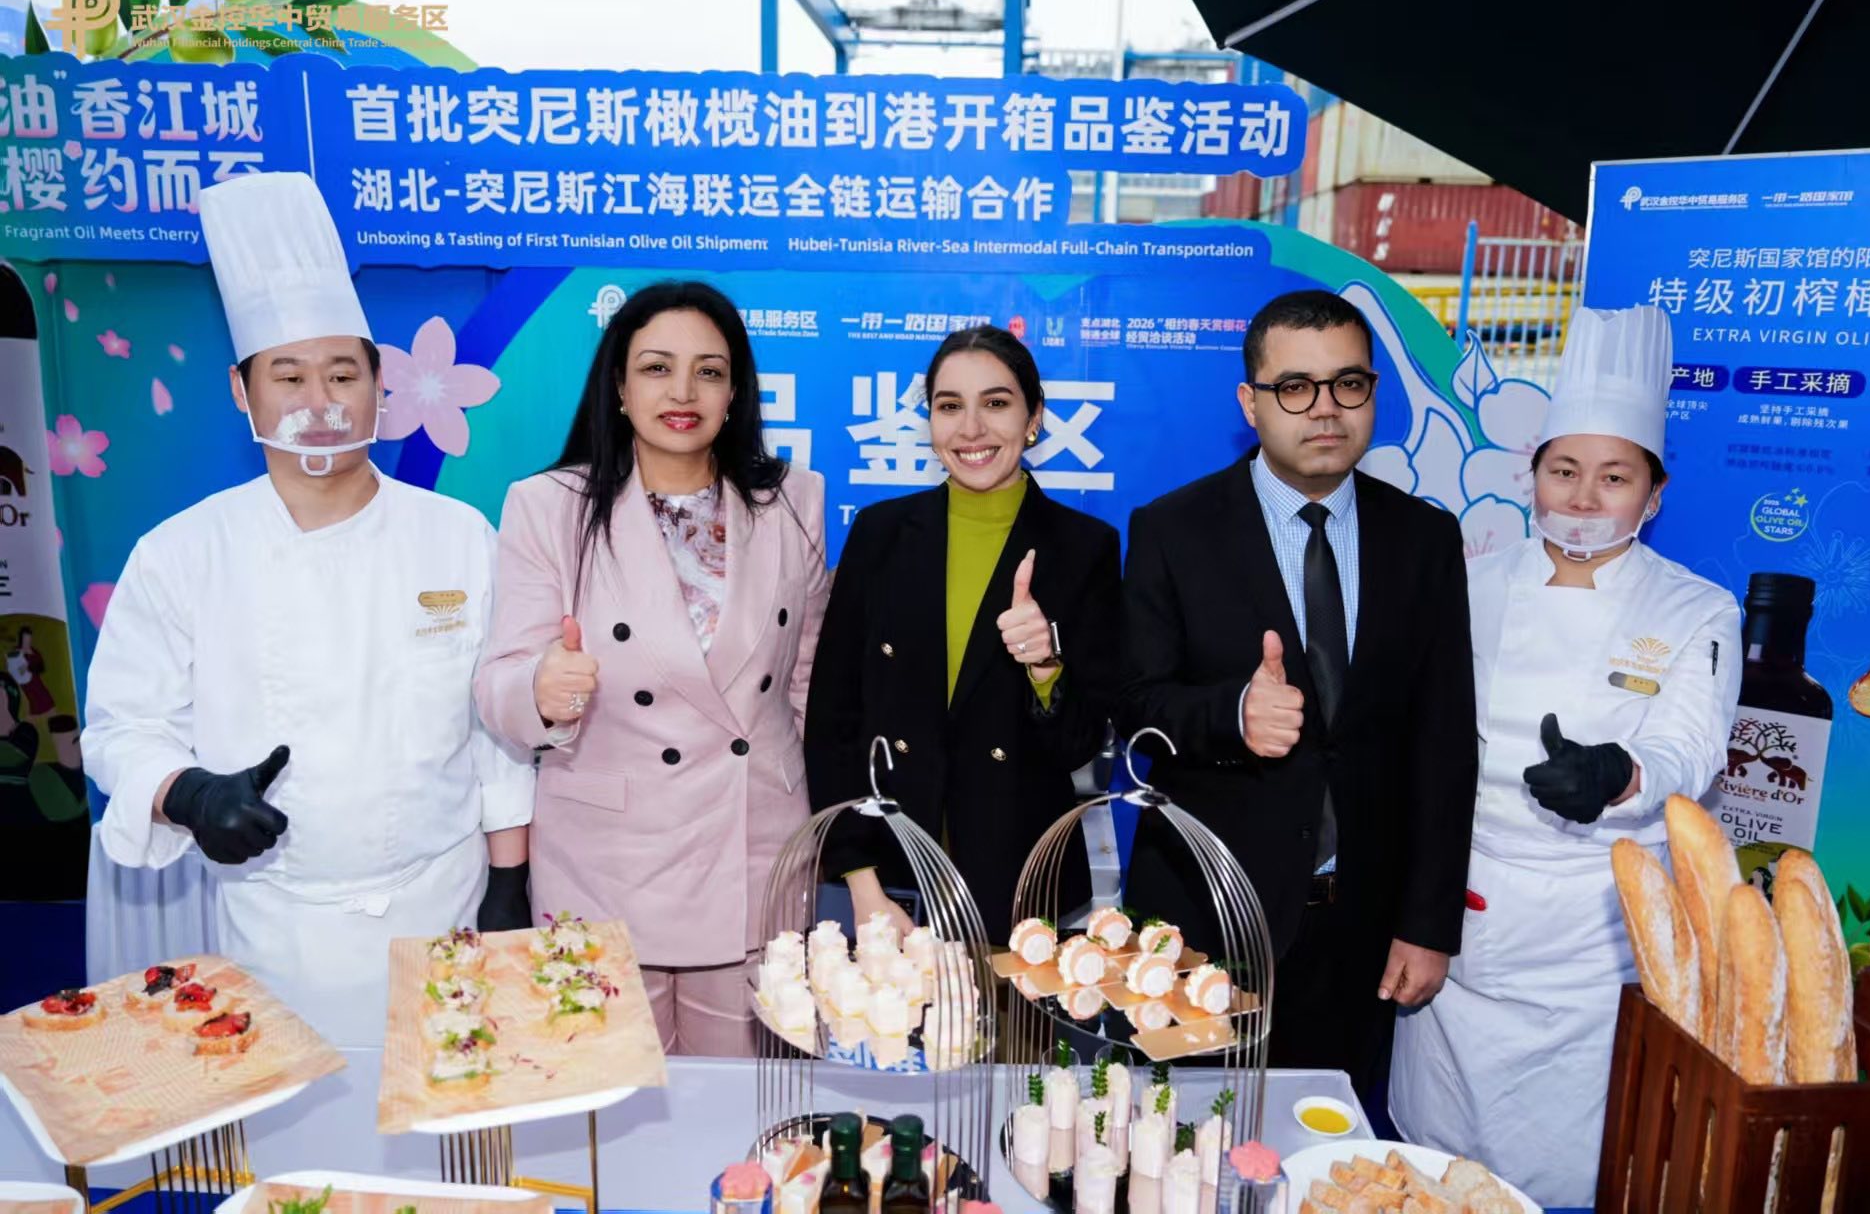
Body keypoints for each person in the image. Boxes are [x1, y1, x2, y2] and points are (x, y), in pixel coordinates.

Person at [83, 172, 534, 1046]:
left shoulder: (458, 536)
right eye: (288, 376)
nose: (319, 402)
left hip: (447, 906)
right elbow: (121, 729)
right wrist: (189, 794)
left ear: (380, 385)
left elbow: (497, 731)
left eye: (342, 374)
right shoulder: (182, 553)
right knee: (292, 1124)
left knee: (452, 1116)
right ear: (241, 390)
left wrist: (509, 886)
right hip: (273, 927)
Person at [1390, 306, 1741, 1207]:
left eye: (1614, 477)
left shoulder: (1696, 609)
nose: (1584, 498)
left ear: (1653, 496)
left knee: (1569, 1163)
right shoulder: (1468, 584)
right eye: (1564, 471)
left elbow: (1689, 747)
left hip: (1594, 933)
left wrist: (1618, 774)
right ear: (1533, 478)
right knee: (1431, 1161)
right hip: (1464, 912)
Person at [1121, 288, 1477, 1095]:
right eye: (1294, 388)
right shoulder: (1173, 529)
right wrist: (1232, 713)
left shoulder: (1423, 538)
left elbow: (1445, 741)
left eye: (1348, 383)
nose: (1325, 408)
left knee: (1329, 1139)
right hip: (1204, 920)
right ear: (1251, 403)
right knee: (1183, 1138)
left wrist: (1428, 924)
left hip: (1361, 928)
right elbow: (1135, 704)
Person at [474, 280, 828, 1056]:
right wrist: (539, 687)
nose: (683, 392)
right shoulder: (549, 506)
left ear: (735, 392)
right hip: (605, 862)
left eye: (709, 371)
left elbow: (807, 676)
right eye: (657, 368)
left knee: (745, 1099)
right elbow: (497, 680)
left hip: (753, 854)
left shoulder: (792, 500)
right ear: (619, 387)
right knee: (608, 1098)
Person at [804, 325, 1125, 943]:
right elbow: (833, 722)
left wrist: (1046, 667)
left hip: (1024, 886)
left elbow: (1082, 745)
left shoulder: (1084, 549)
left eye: (996, 403)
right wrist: (862, 883)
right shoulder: (880, 534)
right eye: (950, 406)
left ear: (1034, 418)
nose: (971, 428)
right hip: (892, 880)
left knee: (1009, 1014)